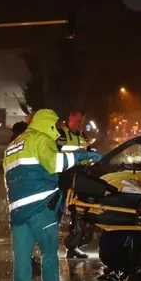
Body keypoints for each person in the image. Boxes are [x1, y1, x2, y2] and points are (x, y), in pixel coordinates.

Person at [3, 109, 102, 281]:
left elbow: (7, 181)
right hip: (41, 210)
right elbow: (55, 163)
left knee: (22, 264)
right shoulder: (41, 139)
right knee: (49, 256)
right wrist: (83, 156)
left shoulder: (13, 146)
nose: (57, 129)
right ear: (46, 123)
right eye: (55, 125)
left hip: (18, 214)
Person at [56, 109, 92, 259]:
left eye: (82, 122)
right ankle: (48, 246)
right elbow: (54, 155)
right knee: (58, 212)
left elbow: (87, 154)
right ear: (70, 118)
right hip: (65, 177)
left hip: (80, 177)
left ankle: (73, 247)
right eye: (78, 122)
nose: (80, 125)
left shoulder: (82, 136)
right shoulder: (62, 134)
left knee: (79, 213)